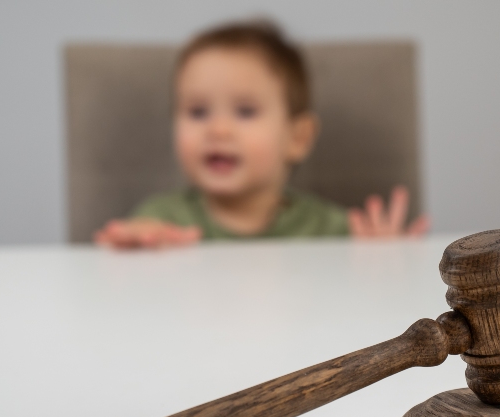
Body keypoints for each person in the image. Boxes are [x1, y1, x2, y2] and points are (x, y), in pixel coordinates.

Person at [95, 21, 429, 249]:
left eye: (245, 111)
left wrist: (385, 260)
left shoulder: (332, 230)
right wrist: (133, 245)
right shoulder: (164, 220)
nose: (217, 129)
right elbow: (105, 269)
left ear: (297, 138)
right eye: (198, 112)